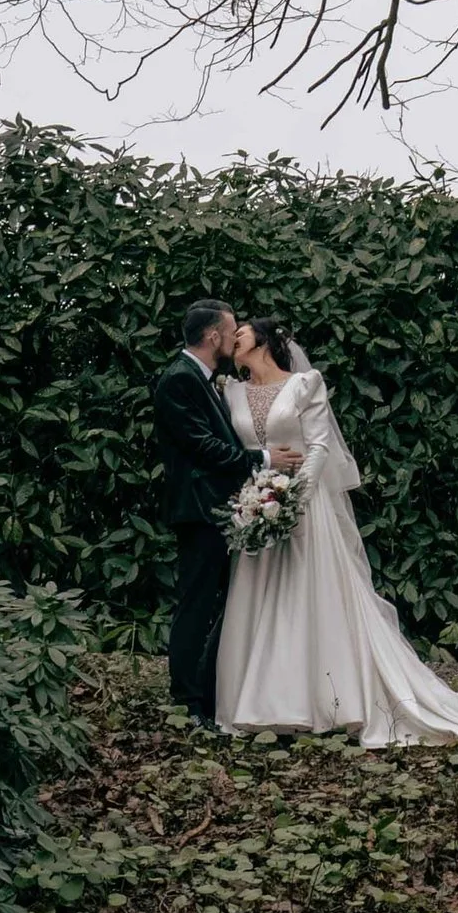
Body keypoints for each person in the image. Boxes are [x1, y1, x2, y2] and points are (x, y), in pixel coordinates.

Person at [215, 318, 458, 749]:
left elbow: (319, 445)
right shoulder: (231, 391)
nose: (234, 336)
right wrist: (260, 497)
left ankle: (322, 704)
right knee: (259, 600)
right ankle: (258, 704)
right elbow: (233, 450)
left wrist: (295, 498)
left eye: (241, 331)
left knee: (306, 601)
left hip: (305, 509)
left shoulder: (304, 384)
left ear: (263, 339)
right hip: (257, 506)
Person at [154, 299, 303, 723]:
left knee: (224, 605)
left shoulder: (206, 379)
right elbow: (205, 448)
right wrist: (266, 461)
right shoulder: (178, 380)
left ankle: (211, 694)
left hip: (219, 510)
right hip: (199, 511)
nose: (236, 336)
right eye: (231, 329)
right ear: (213, 336)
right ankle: (186, 702)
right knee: (196, 606)